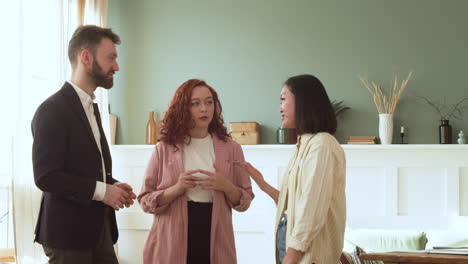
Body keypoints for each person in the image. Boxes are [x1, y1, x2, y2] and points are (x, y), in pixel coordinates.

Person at [31, 25, 136, 264]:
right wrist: (104, 192)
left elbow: (84, 167)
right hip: (67, 236)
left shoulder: (92, 107)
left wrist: (113, 186)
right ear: (86, 58)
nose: (116, 66)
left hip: (99, 230)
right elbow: (46, 176)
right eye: (111, 58)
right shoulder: (51, 110)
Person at [138, 79, 254, 264]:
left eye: (209, 102)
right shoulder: (164, 148)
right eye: (196, 103)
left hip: (215, 234)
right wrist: (176, 188)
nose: (204, 109)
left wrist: (226, 186)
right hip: (171, 237)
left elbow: (245, 200)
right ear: (183, 108)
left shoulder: (232, 148)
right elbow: (145, 200)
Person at [235, 74, 346, 264]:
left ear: (303, 101)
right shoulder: (303, 144)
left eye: (283, 99)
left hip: (308, 256)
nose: (280, 108)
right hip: (293, 250)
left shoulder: (322, 144)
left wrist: (291, 257)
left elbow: (311, 209)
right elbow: (295, 206)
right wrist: (263, 184)